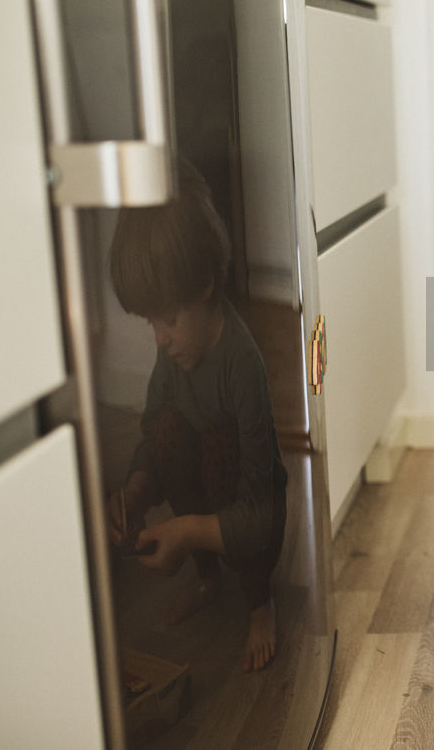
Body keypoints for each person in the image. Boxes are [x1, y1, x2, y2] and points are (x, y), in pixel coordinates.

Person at [106, 164, 288, 673]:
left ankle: (259, 602)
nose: (159, 338)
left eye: (167, 319)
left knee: (217, 444)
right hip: (207, 498)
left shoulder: (242, 365)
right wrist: (136, 492)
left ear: (206, 284)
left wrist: (185, 532)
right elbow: (150, 433)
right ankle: (208, 580)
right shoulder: (172, 353)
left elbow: (262, 514)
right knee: (167, 429)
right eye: (150, 321)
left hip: (252, 512)